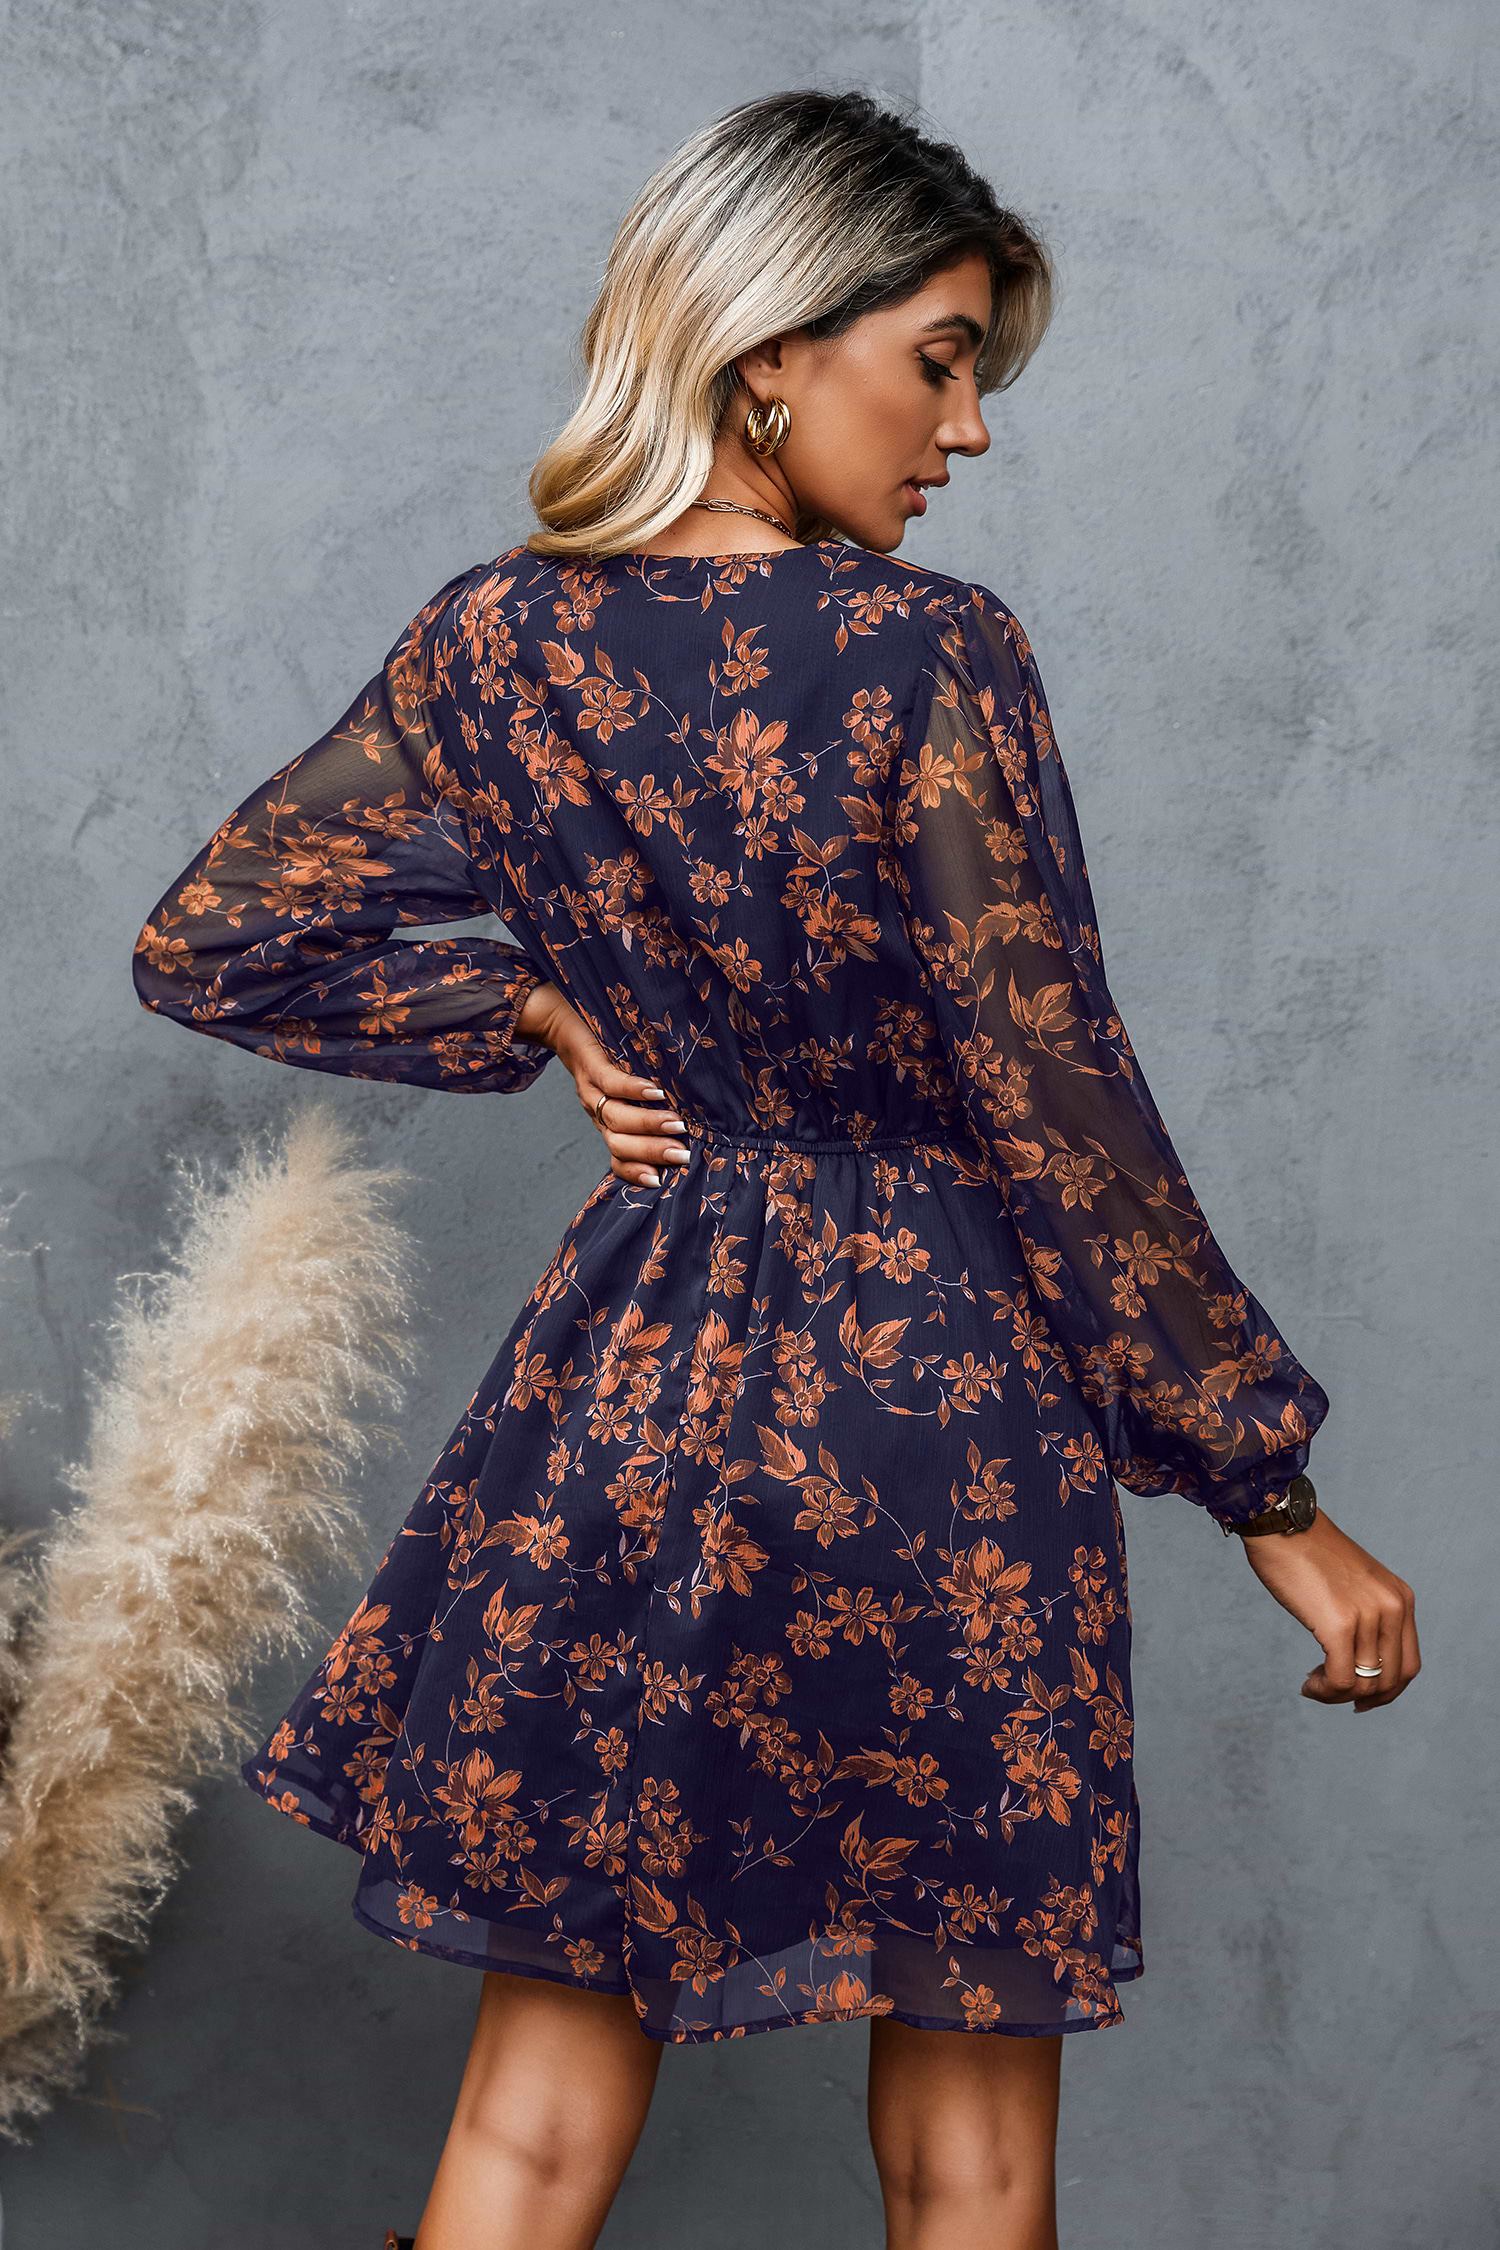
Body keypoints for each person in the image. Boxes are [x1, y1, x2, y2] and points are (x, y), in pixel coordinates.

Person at [133, 88, 1419, 2250]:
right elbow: (1056, 1101)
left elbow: (213, 934)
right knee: (966, 2159)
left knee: (530, 2131)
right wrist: (1270, 1499)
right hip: (941, 1416)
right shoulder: (930, 651)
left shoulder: (490, 641)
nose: (968, 432)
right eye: (941, 361)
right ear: (764, 354)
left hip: (636, 1389)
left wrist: (534, 1010)